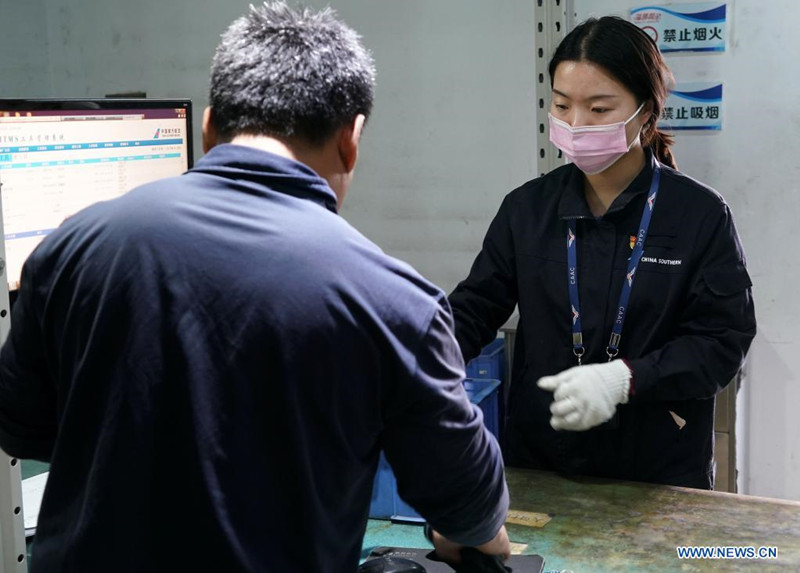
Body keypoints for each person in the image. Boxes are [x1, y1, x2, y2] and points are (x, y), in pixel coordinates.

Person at [0, 3, 509, 571]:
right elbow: (469, 508)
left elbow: (21, 428)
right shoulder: (395, 302)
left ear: (209, 126)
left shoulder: (72, 245)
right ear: (351, 139)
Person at [449, 16, 756, 490]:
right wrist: (413, 358)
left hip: (657, 469)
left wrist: (625, 379)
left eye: (598, 108)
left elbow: (722, 342)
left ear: (648, 112)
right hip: (540, 461)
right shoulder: (527, 209)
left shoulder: (697, 214)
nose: (576, 124)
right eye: (561, 105)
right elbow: (473, 309)